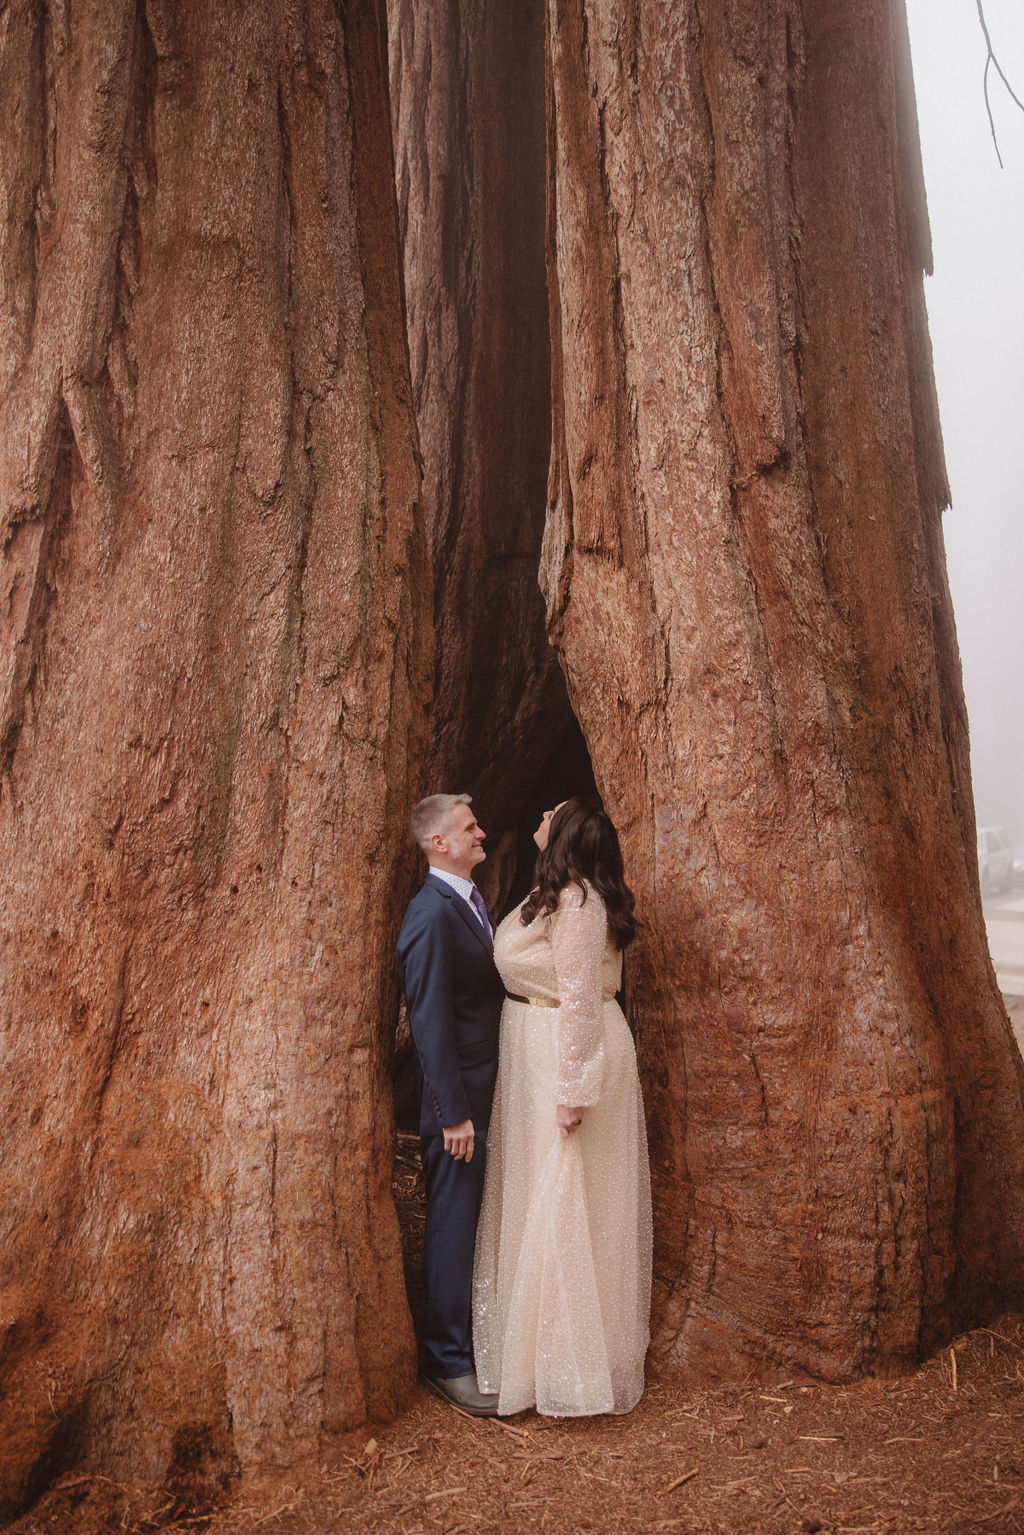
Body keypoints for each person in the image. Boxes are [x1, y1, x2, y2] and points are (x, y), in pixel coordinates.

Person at [472, 796, 652, 1417]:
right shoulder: (555, 894)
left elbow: (579, 999)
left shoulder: (577, 904)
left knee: (566, 1197)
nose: (539, 815)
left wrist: (572, 1092)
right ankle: (541, 1354)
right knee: (542, 1193)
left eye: (550, 812)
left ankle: (566, 1367)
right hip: (537, 1051)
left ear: (565, 832)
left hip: (565, 1054)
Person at [397, 793, 505, 1416]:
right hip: (458, 1105)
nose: (480, 831)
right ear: (441, 843)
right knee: (450, 1222)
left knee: (470, 1219)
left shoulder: (467, 899)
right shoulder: (430, 914)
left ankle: (468, 1342)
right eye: (470, 827)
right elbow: (430, 1020)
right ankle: (446, 1361)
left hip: (486, 1089)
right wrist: (451, 1114)